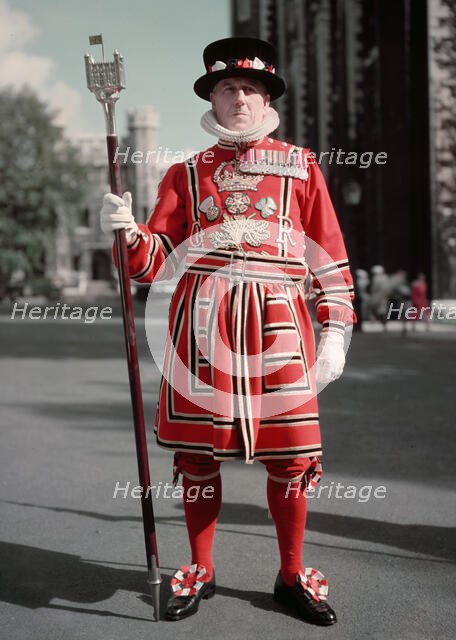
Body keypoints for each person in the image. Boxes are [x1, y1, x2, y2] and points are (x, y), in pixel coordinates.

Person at [100, 37, 354, 626]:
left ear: (266, 98)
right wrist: (127, 232)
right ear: (211, 99)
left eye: (250, 88)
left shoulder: (302, 166)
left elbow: (329, 259)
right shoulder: (184, 174)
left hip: (279, 328)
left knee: (291, 459)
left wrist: (336, 329)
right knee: (196, 456)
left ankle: (292, 572)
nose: (239, 98)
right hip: (201, 330)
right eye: (227, 88)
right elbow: (154, 262)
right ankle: (200, 567)